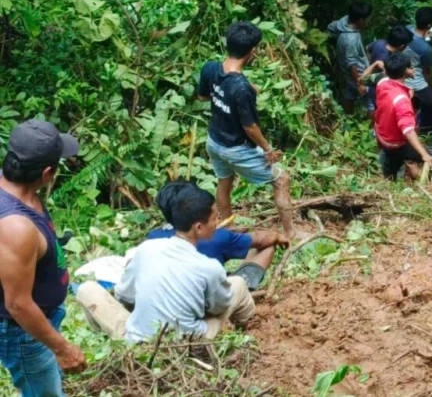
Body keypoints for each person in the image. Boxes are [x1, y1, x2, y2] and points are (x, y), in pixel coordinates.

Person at [76, 184, 255, 342]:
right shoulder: (210, 267)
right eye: (214, 218)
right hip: (189, 342)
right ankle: (251, 327)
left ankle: (106, 342)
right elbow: (219, 307)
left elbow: (124, 296)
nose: (217, 223)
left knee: (87, 289)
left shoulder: (146, 249)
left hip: (136, 341)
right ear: (199, 227)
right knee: (237, 283)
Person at [0, 120, 85, 396]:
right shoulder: (16, 228)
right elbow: (18, 304)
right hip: (23, 332)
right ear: (47, 173)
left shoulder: (18, 190)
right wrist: (63, 348)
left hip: (41, 317)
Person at [198, 22, 299, 240]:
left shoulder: (210, 68)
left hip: (214, 141)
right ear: (252, 52)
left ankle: (226, 230)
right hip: (235, 148)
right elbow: (250, 127)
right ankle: (291, 233)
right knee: (282, 180)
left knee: (224, 182)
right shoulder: (241, 88)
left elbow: (204, 96)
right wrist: (267, 149)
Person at [146, 180, 287, 291]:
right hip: (204, 300)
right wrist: (278, 235)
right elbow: (261, 239)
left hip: (167, 299)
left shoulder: (152, 238)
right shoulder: (217, 237)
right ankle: (244, 287)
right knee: (267, 247)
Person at [374, 53, 432, 181]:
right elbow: (408, 130)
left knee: (389, 165)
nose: (413, 69)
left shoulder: (382, 82)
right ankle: (412, 174)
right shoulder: (402, 101)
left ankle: (389, 170)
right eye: (411, 67)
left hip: (381, 133)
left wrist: (406, 93)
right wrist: (424, 155)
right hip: (395, 143)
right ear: (406, 71)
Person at [327, 2, 373, 112]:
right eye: (368, 18)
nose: (369, 21)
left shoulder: (343, 23)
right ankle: (371, 128)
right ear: (361, 20)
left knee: (349, 95)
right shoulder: (350, 39)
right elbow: (351, 63)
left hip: (349, 75)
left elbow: (330, 28)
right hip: (359, 75)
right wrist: (359, 83)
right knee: (372, 105)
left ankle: (348, 117)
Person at [407, 7, 432, 132]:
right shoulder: (425, 49)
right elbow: (427, 73)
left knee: (416, 107)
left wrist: (426, 39)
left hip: (402, 75)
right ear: (429, 24)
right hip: (416, 83)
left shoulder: (407, 29)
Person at [364, 25, 414, 117]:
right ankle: (373, 127)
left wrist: (371, 63)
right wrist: (406, 73)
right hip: (377, 88)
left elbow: (367, 48)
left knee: (372, 106)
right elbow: (391, 77)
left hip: (373, 80)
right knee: (377, 110)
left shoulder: (380, 43)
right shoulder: (387, 59)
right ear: (402, 46)